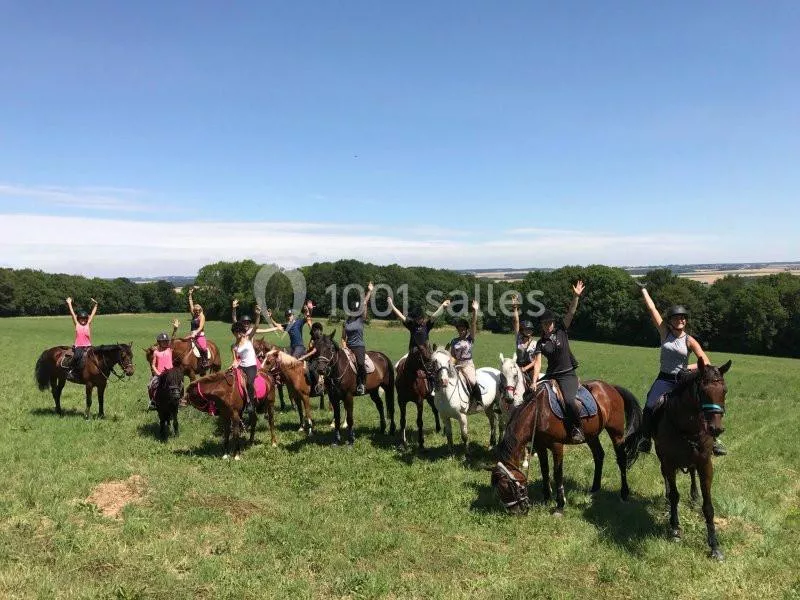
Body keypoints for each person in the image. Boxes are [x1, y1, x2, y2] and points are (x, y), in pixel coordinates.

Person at [638, 284, 725, 455]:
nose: (681, 320)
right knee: (649, 405)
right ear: (670, 321)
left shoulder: (689, 340)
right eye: (677, 318)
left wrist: (687, 368)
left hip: (683, 380)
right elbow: (652, 309)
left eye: (683, 318)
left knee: (701, 406)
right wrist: (643, 290)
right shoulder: (665, 333)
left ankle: (714, 441)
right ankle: (645, 438)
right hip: (664, 379)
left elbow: (705, 361)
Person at [530, 281, 586, 443]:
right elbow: (538, 363)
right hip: (551, 375)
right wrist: (534, 381)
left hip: (567, 374)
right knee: (529, 396)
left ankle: (578, 428)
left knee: (569, 401)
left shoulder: (561, 330)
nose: (547, 326)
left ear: (553, 322)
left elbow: (571, 312)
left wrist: (576, 297)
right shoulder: (540, 343)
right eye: (544, 324)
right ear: (541, 325)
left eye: (549, 323)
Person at [342, 282, 374, 395]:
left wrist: (369, 291)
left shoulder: (360, 319)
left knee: (360, 363)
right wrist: (344, 347)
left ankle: (362, 384)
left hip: (359, 346)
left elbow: (364, 303)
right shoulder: (346, 322)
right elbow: (343, 337)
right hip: (348, 347)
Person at [449, 299, 482, 407]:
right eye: (459, 329)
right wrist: (451, 363)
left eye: (463, 329)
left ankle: (479, 402)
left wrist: (475, 311)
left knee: (472, 381)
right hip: (457, 365)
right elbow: (452, 355)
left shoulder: (470, 339)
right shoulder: (454, 341)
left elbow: (473, 324)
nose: (461, 331)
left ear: (466, 330)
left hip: (467, 365)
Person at [230, 317, 260, 420]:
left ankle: (250, 403)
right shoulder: (234, 346)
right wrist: (233, 364)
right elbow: (235, 360)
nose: (237, 334)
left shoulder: (248, 339)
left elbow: (256, 326)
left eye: (239, 331)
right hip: (241, 366)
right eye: (235, 332)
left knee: (250, 383)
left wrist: (257, 315)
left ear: (242, 331)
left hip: (251, 366)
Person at [148, 319, 179, 410]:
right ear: (159, 342)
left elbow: (173, 339)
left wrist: (175, 329)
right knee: (150, 385)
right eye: (163, 341)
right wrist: (157, 373)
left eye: (166, 341)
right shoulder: (156, 352)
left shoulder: (170, 349)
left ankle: (180, 400)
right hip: (160, 374)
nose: (165, 342)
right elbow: (153, 365)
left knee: (180, 384)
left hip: (171, 374)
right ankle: (153, 402)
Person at [66, 296, 98, 379]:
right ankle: (71, 371)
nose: (83, 320)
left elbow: (92, 314)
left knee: (95, 357)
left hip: (88, 346)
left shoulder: (88, 324)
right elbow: (72, 313)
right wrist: (69, 303)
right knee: (76, 356)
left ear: (87, 319)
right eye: (81, 319)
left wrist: (95, 305)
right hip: (79, 346)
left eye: (84, 319)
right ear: (78, 319)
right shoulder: (77, 324)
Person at [511, 295, 538, 383]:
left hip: (530, 368)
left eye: (530, 329)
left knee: (534, 384)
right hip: (517, 365)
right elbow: (516, 321)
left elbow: (536, 360)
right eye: (526, 329)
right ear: (522, 330)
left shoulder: (535, 343)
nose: (528, 331)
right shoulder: (518, 338)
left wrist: (525, 368)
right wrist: (515, 308)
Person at [188, 287, 210, 369]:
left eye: (198, 310)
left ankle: (205, 361)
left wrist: (195, 333)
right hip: (192, 335)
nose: (197, 312)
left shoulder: (202, 316)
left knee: (203, 348)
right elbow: (191, 304)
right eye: (195, 310)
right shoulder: (194, 315)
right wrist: (190, 295)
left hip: (200, 335)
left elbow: (200, 327)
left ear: (200, 310)